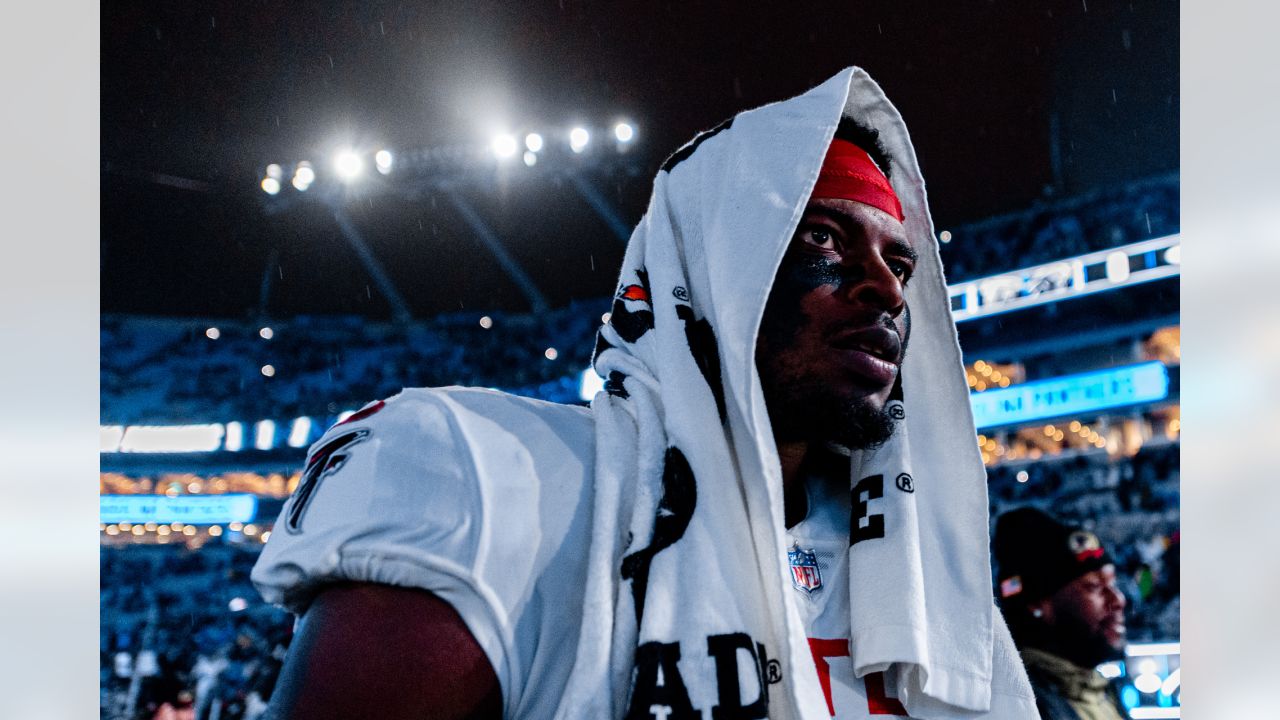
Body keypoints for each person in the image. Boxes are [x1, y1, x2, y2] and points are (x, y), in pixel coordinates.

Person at [252, 67, 1038, 719]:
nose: (885, 291)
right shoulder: (489, 481)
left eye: (900, 266)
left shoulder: (925, 570)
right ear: (709, 273)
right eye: (824, 238)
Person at [993, 507, 1129, 720]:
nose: (1118, 600)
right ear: (1037, 604)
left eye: (1113, 584)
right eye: (1094, 587)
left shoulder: (1102, 692)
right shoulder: (1015, 705)